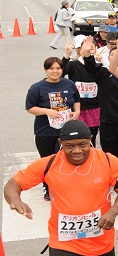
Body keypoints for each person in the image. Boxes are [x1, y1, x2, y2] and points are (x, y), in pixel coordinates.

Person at [4, 120, 118, 256]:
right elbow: (13, 184)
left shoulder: (108, 161)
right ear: (60, 144)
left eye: (83, 144)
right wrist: (15, 200)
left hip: (100, 243)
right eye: (69, 146)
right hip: (64, 243)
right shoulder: (50, 164)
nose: (77, 151)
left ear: (91, 140)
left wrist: (113, 212)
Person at [27, 56, 82, 198]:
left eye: (58, 68)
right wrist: (47, 112)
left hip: (66, 131)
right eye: (51, 68)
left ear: (62, 70)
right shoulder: (37, 87)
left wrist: (77, 112)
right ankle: (47, 186)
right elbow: (30, 107)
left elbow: (76, 100)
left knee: (65, 158)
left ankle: (65, 186)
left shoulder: (69, 84)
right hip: (45, 131)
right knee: (48, 160)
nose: (55, 71)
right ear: (46, 70)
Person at [61, 37, 101, 143]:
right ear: (80, 49)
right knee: (76, 137)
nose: (88, 50)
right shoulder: (73, 64)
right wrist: (66, 55)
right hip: (77, 108)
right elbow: (61, 73)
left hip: (94, 107)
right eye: (86, 47)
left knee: (92, 137)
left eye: (91, 48)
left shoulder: (99, 66)